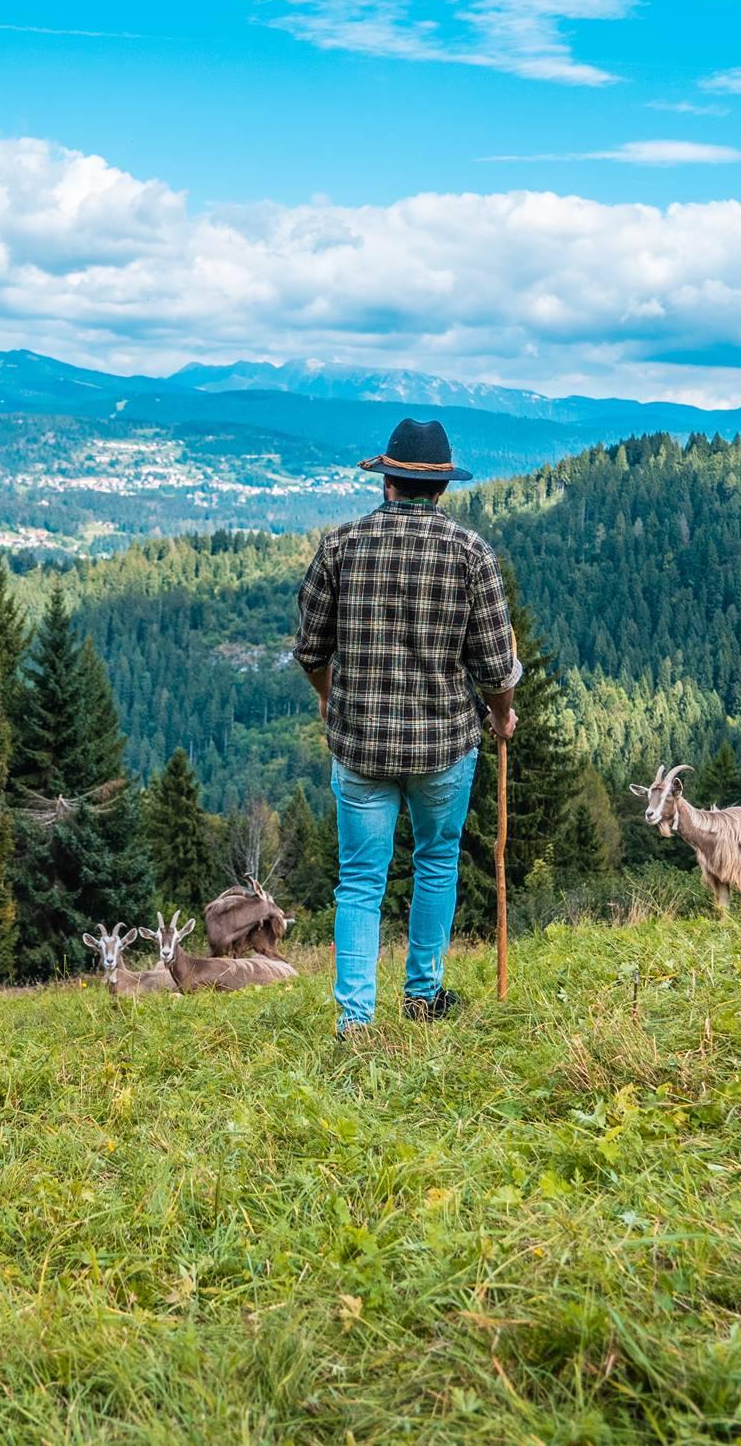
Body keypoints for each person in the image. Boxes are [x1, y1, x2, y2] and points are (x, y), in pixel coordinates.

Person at [292, 418, 519, 1038]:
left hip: (361, 745)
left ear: (387, 482)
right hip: (444, 746)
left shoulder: (341, 546)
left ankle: (354, 1022)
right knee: (436, 862)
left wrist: (328, 697)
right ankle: (422, 995)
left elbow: (311, 650)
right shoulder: (471, 554)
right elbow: (497, 667)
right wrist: (501, 715)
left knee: (361, 879)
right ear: (440, 488)